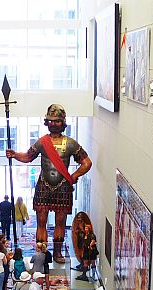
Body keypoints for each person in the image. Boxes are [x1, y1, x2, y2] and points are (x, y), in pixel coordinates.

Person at [6, 104, 93, 263]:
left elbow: (86, 163)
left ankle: (57, 253)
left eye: (57, 121)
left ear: (63, 122)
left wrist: (73, 176)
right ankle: (42, 252)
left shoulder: (71, 144)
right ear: (47, 122)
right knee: (41, 221)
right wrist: (14, 154)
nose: (53, 124)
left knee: (60, 222)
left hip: (63, 187)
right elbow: (28, 156)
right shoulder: (42, 142)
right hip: (43, 186)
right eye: (51, 121)